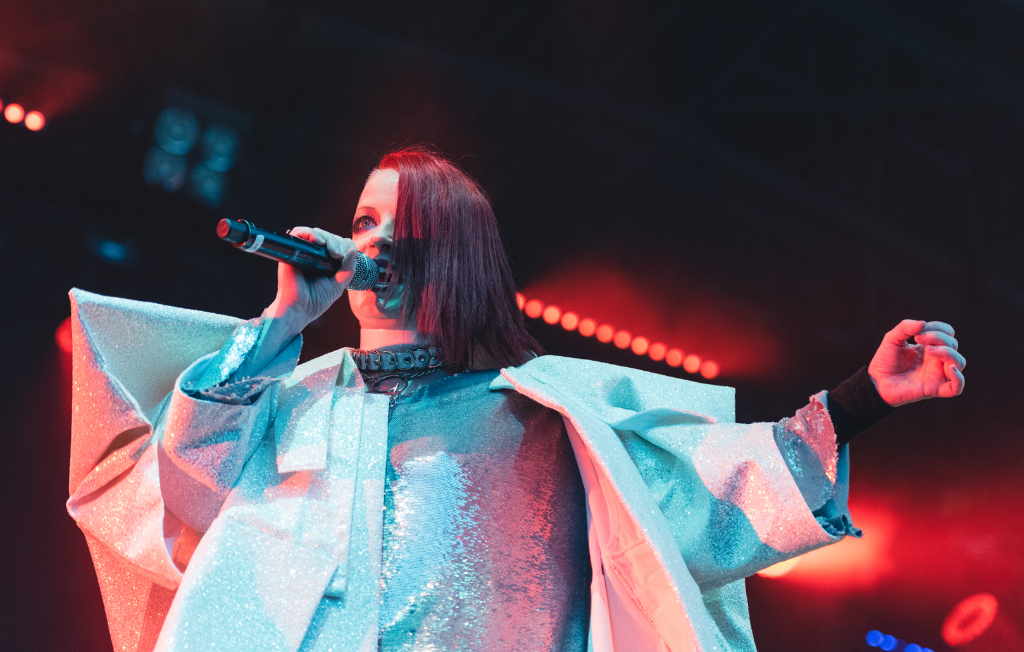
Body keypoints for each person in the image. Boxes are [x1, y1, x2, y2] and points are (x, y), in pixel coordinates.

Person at [67, 148, 966, 652]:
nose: (370, 244)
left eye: (402, 226)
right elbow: (186, 498)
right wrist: (279, 325)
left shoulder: (541, 416)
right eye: (363, 222)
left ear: (454, 255)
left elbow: (707, 493)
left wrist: (861, 400)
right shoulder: (286, 397)